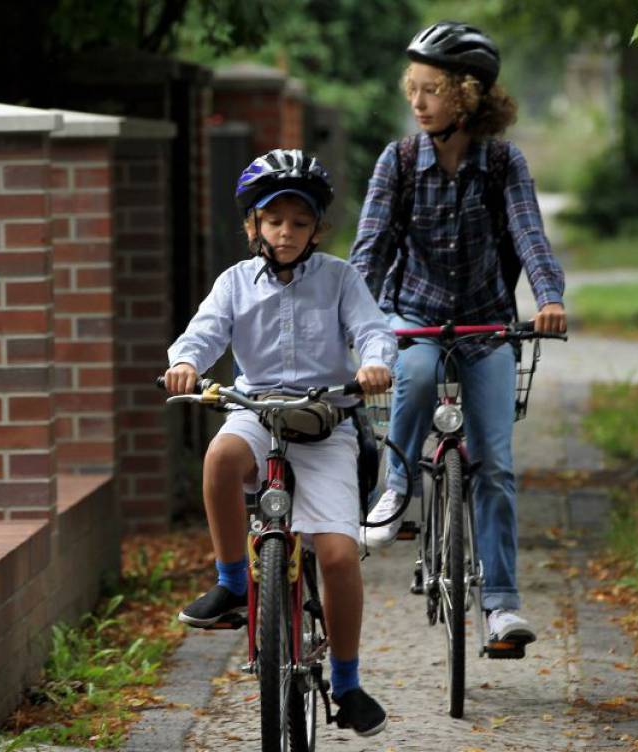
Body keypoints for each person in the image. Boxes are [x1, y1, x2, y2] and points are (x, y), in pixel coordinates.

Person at [350, 20, 567, 654]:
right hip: (411, 315)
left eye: (431, 90)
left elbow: (528, 234)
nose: (416, 102)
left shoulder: (503, 162)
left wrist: (548, 297)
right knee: (413, 378)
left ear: (466, 97)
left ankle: (500, 607)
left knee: (495, 462)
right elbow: (370, 250)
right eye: (412, 89)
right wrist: (351, 317)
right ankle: (394, 487)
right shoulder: (397, 161)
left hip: (485, 323)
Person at [164, 148, 396, 736]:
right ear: (254, 227)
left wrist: (373, 364)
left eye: (299, 222)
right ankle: (233, 585)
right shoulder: (235, 283)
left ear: (317, 228)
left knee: (340, 556)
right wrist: (186, 363)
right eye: (274, 221)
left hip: (325, 424)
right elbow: (203, 332)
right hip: (257, 413)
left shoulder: (341, 278)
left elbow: (372, 331)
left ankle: (347, 683)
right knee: (219, 456)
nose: (286, 232)